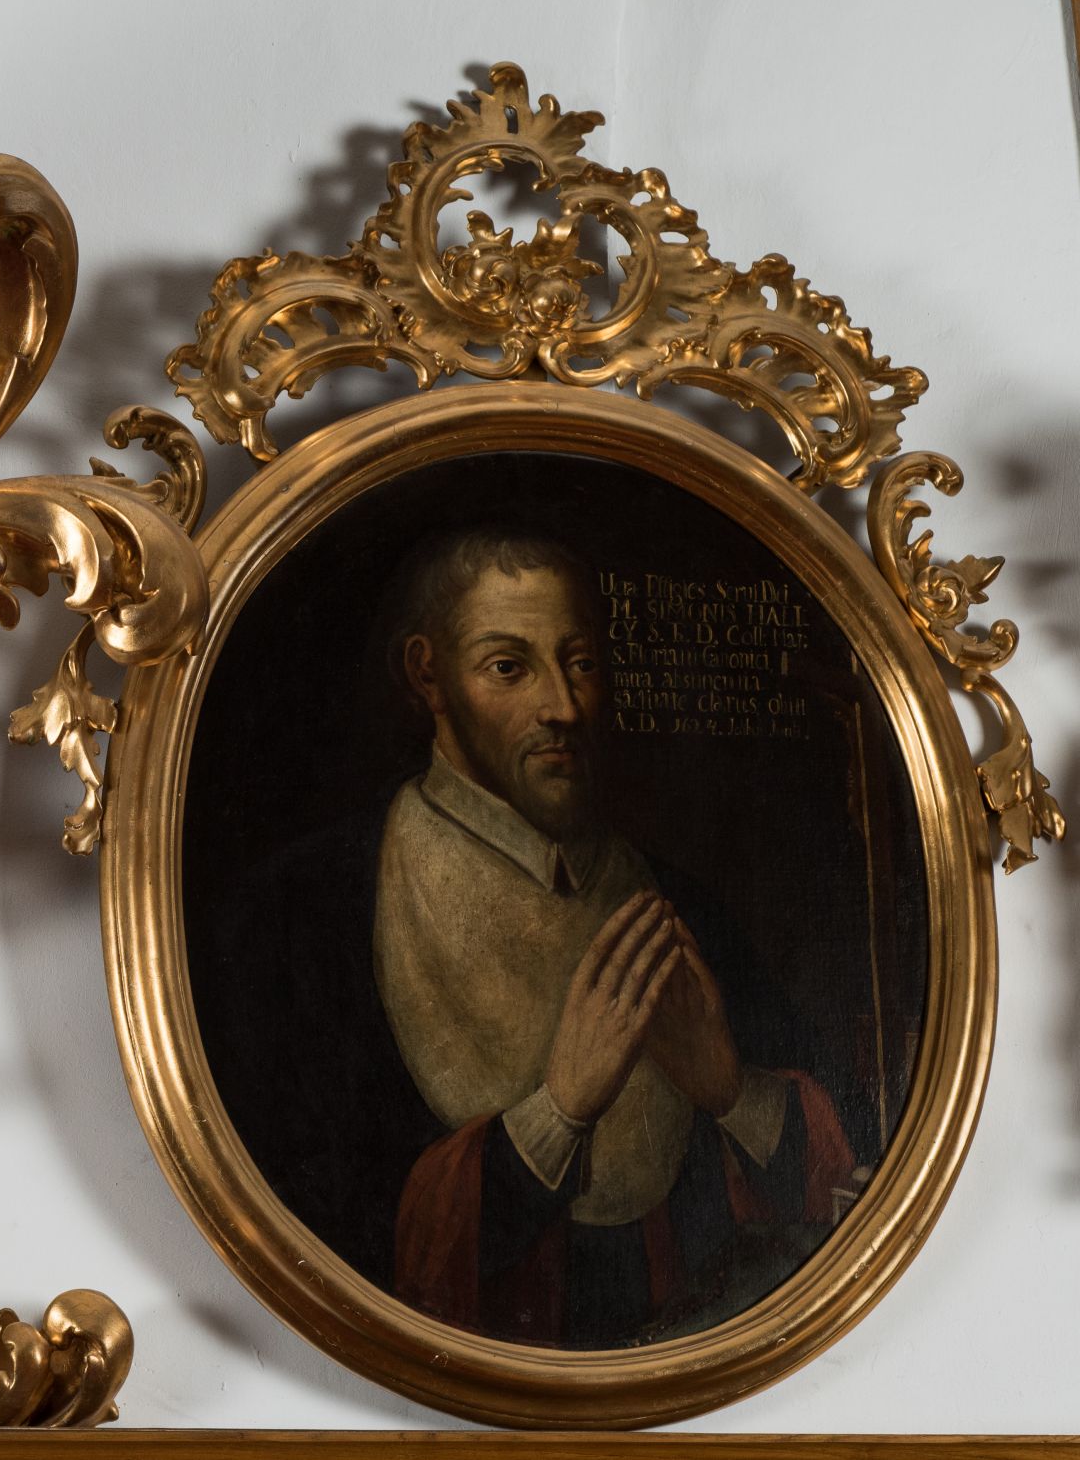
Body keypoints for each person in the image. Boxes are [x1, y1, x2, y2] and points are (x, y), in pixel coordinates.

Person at [197, 529, 857, 1348]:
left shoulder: (683, 906)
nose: (564, 707)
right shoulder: (300, 911)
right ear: (428, 675)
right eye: (509, 666)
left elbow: (839, 1180)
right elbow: (317, 1238)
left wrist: (728, 1090)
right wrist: (558, 1113)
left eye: (580, 663)